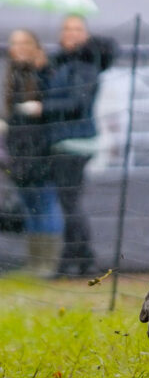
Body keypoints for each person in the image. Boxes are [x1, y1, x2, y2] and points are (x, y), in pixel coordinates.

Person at [45, 15, 116, 275]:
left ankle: (80, 259)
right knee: (69, 202)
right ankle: (77, 259)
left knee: (70, 202)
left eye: (77, 29)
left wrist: (42, 107)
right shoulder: (59, 63)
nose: (71, 33)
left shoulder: (84, 64)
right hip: (62, 140)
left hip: (75, 142)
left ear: (86, 35)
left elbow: (76, 103)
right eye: (66, 28)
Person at [3, 29, 64, 277]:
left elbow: (59, 104)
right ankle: (34, 262)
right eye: (13, 43)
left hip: (42, 151)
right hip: (18, 153)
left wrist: (42, 70)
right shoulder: (13, 75)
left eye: (23, 43)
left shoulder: (46, 72)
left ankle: (48, 265)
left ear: (35, 46)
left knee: (46, 203)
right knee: (30, 206)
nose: (17, 47)